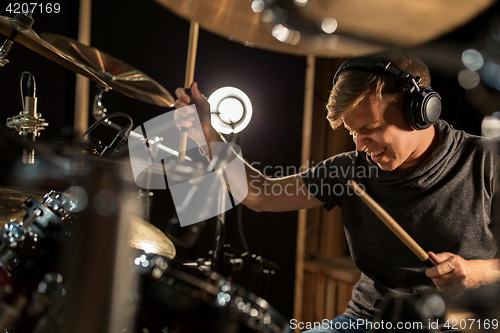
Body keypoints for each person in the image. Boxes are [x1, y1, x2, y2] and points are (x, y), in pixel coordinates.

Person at [173, 50, 500, 332]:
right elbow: (262, 194)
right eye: (352, 131)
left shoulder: (486, 162)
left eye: (370, 129)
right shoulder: (350, 170)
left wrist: (479, 272)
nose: (360, 145)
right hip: (366, 322)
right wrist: (208, 135)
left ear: (421, 112)